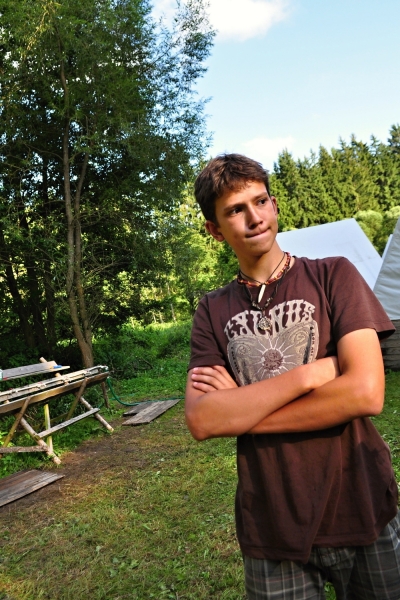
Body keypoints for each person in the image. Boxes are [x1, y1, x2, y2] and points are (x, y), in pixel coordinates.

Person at [185, 153, 400, 600]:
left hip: (360, 502)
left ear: (275, 204)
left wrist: (242, 412)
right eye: (235, 210)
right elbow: (203, 420)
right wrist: (313, 374)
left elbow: (365, 393)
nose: (254, 217)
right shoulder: (211, 310)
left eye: (260, 201)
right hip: (272, 524)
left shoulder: (334, 275)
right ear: (214, 229)